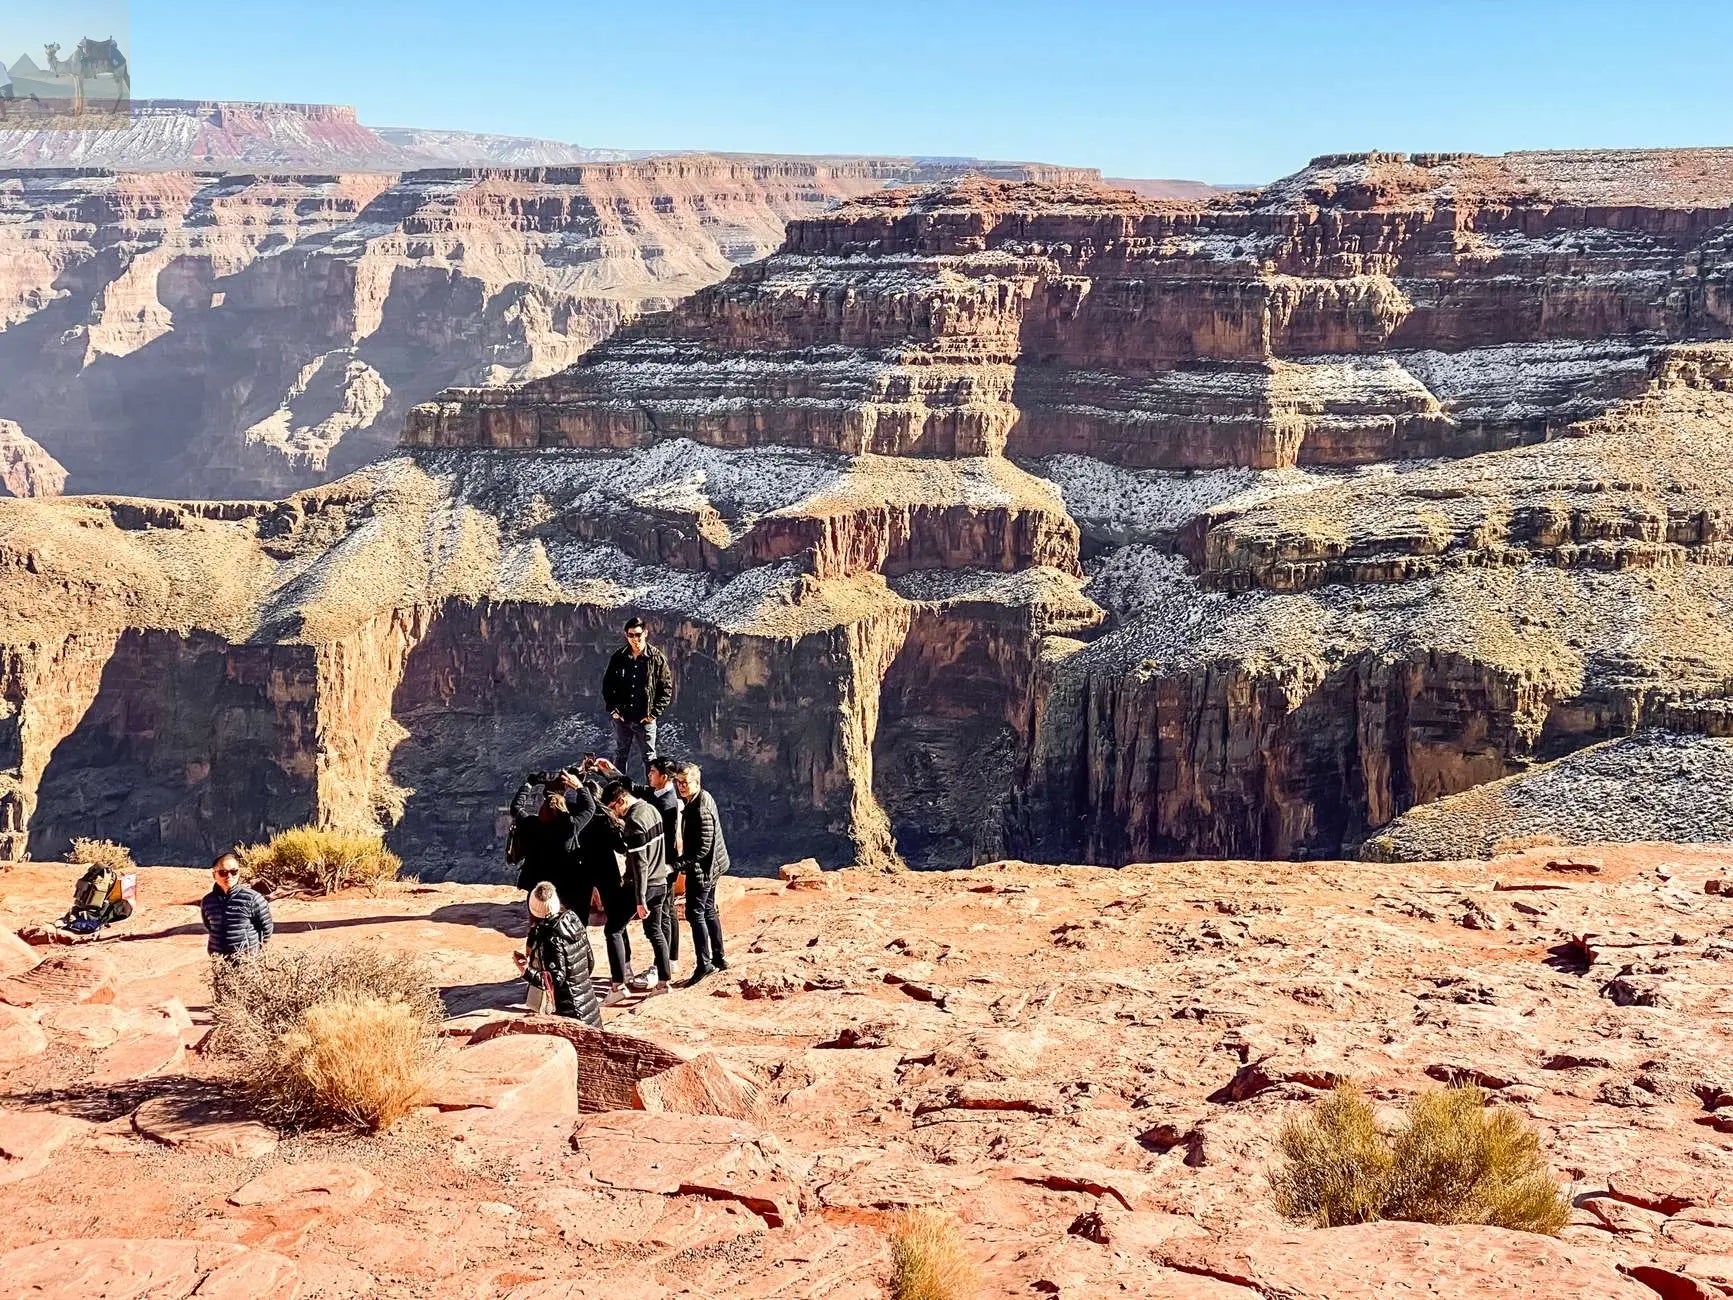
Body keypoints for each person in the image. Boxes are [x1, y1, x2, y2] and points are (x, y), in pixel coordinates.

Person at [591, 755, 682, 965]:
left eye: (653, 773)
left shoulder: (665, 804)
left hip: (660, 864)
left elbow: (650, 852)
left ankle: (667, 961)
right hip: (657, 863)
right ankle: (668, 962)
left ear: (665, 777)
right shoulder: (657, 793)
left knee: (664, 916)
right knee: (662, 914)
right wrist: (610, 772)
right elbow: (634, 789)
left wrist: (641, 897)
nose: (648, 775)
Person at [601, 779, 672, 997]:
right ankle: (663, 983)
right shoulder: (652, 809)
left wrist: (640, 899)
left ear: (621, 800)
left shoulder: (634, 822)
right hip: (661, 881)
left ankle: (618, 986)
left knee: (613, 929)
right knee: (655, 931)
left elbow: (640, 864)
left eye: (614, 808)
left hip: (642, 886)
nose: (615, 813)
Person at [672, 762, 729, 985]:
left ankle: (704, 964)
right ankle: (719, 957)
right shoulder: (699, 799)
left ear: (697, 782)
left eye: (685, 783)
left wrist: (677, 865)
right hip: (714, 865)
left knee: (695, 913)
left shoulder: (700, 808)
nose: (681, 787)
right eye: (678, 782)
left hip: (704, 869)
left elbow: (703, 849)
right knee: (708, 910)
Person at [515, 881, 602, 1026]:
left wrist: (525, 970)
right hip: (588, 1000)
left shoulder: (550, 938)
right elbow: (590, 962)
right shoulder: (572, 920)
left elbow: (554, 980)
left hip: (570, 1010)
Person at [509, 770, 593, 907]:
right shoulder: (569, 827)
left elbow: (515, 808)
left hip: (537, 886)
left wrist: (529, 784)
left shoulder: (531, 824)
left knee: (537, 918)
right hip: (566, 886)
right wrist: (579, 786)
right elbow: (589, 808)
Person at [601, 617, 672, 781]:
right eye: (631, 635)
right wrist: (613, 709)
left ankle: (653, 793)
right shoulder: (619, 657)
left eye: (638, 634)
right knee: (620, 755)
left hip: (644, 719)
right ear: (626, 636)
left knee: (649, 758)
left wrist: (654, 714)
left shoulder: (656, 659)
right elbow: (607, 685)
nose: (635, 639)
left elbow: (666, 688)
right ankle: (617, 789)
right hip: (623, 718)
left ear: (645, 633)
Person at [200, 852, 273, 957]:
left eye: (234, 872)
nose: (229, 876)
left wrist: (254, 951)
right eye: (223, 872)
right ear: (214, 875)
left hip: (246, 960)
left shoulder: (253, 899)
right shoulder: (208, 901)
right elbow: (210, 926)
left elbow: (266, 929)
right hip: (219, 959)